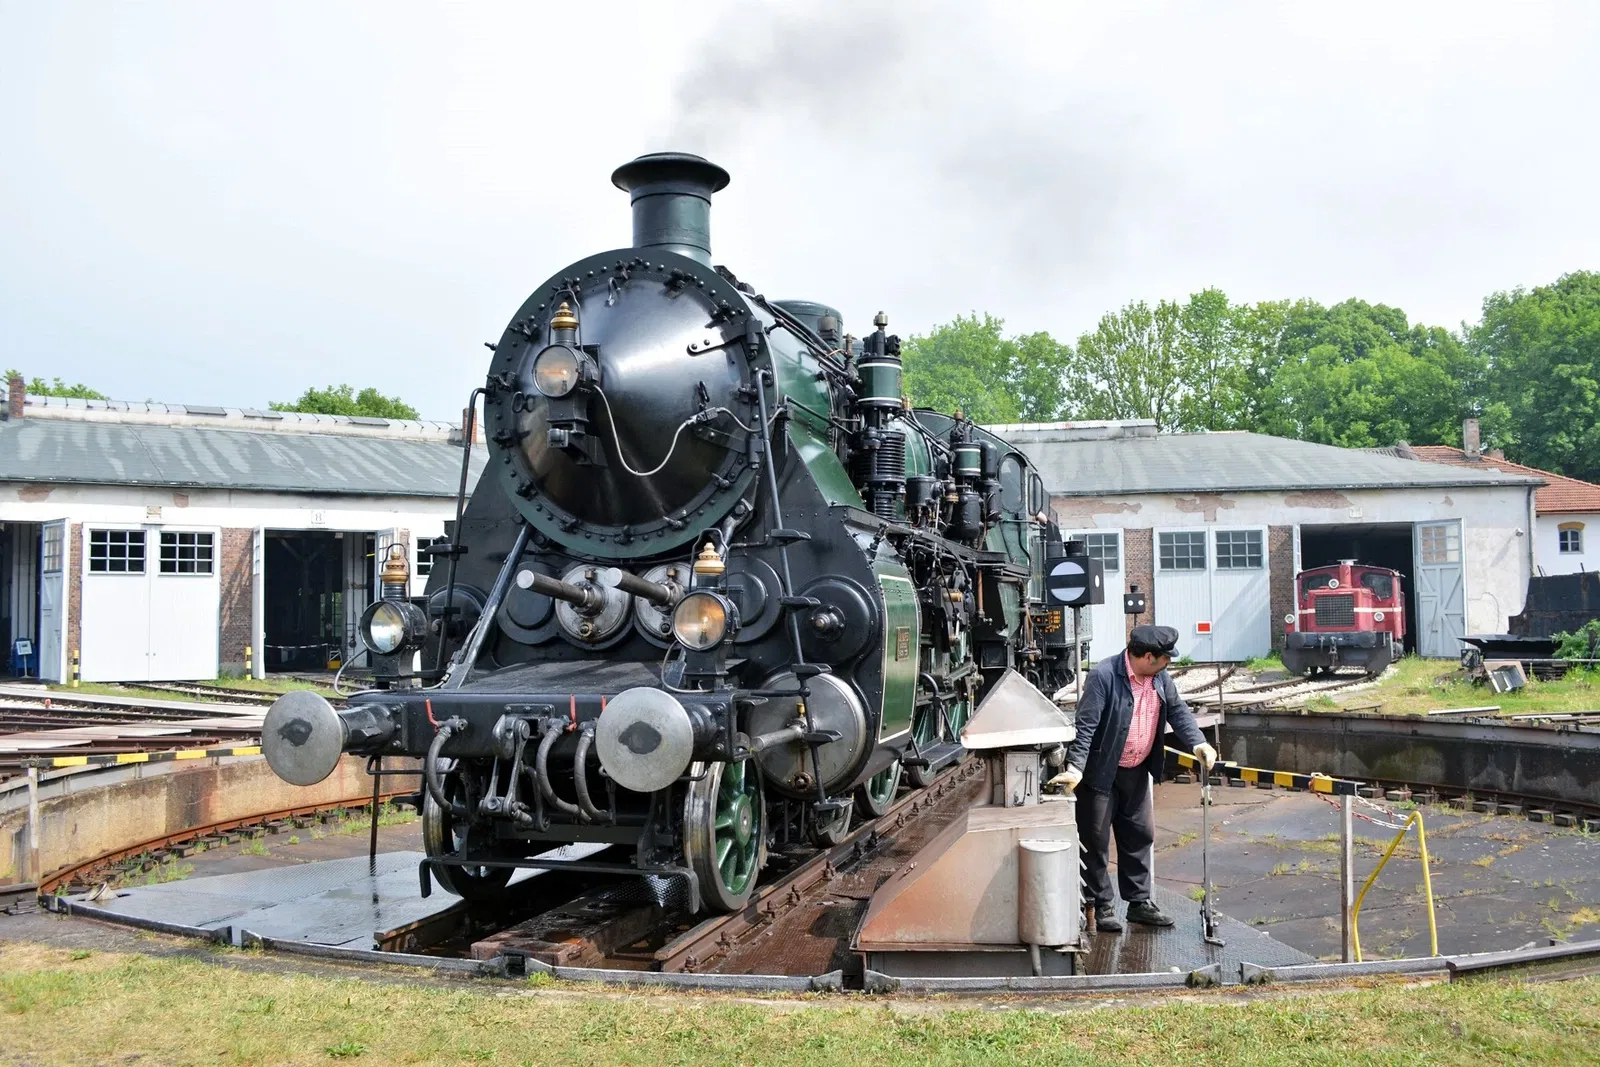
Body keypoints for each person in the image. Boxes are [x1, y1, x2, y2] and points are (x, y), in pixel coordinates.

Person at [1050, 624, 1217, 932]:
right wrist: (1075, 768)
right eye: (1166, 657)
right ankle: (1101, 904)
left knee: (1140, 835)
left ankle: (1138, 903)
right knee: (1095, 840)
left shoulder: (1160, 678)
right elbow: (1086, 726)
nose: (1169, 663)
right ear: (1149, 657)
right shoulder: (1103, 676)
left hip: (1137, 771)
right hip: (1102, 773)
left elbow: (1178, 712)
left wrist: (1198, 742)